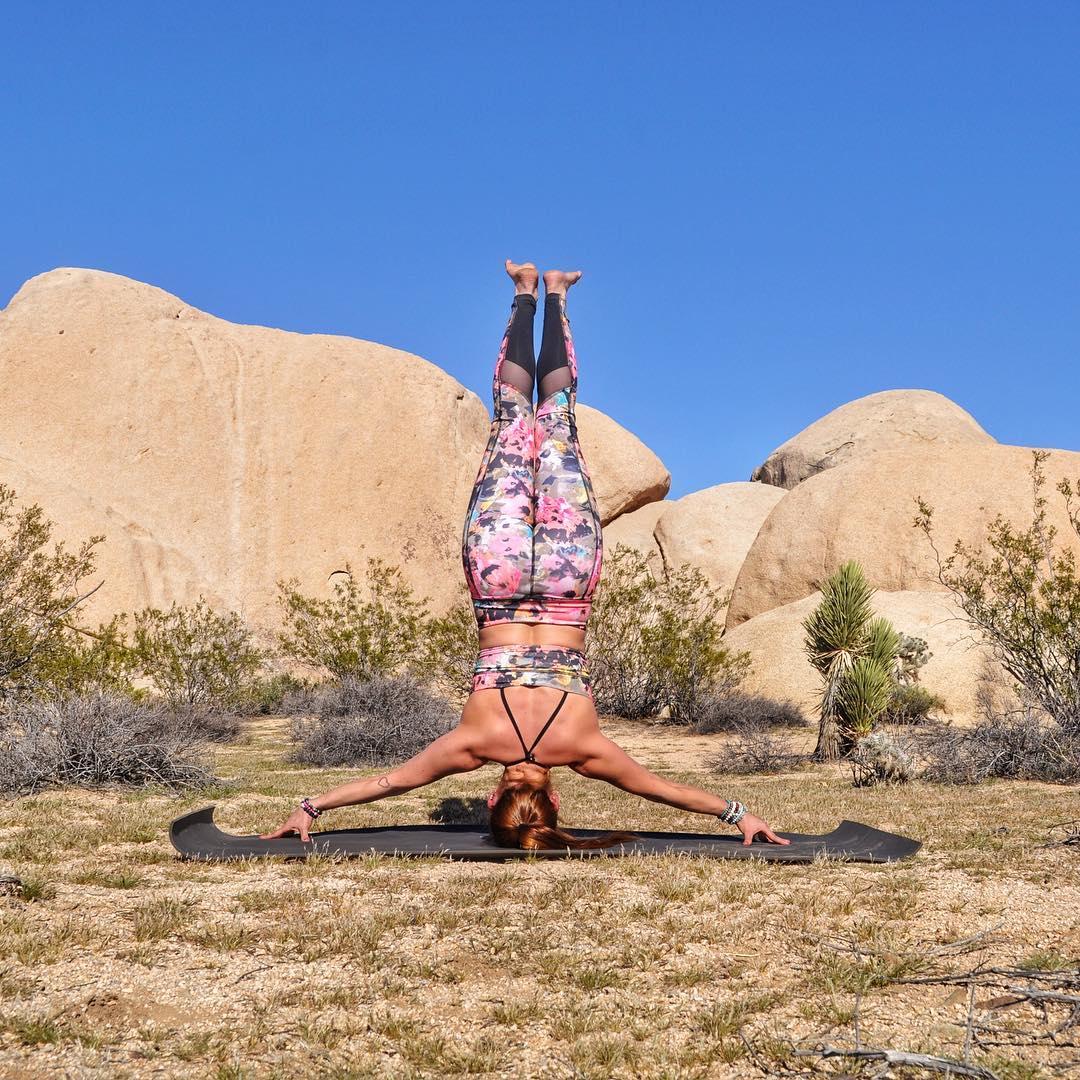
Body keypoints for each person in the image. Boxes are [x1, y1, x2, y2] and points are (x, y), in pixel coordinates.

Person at [263, 261, 789, 851]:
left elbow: (662, 790)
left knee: (556, 422)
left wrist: (738, 814)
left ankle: (557, 296)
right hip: (498, 575)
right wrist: (309, 807)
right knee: (513, 421)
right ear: (495, 796)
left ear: (553, 799)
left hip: (568, 583)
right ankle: (524, 293)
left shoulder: (583, 749)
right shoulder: (473, 744)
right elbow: (390, 783)